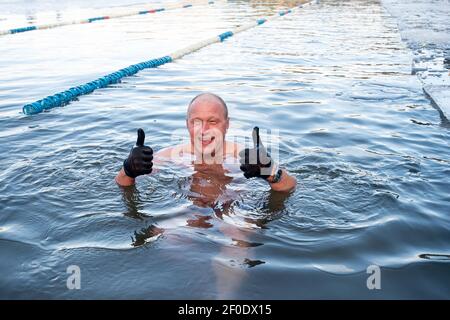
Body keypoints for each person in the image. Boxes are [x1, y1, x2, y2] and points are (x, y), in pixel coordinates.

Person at [115, 92, 297, 192]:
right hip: (187, 208)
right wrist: (128, 170)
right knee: (167, 239)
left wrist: (270, 171)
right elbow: (121, 184)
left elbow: (291, 187)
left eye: (213, 121)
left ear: (227, 125)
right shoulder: (170, 156)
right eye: (196, 122)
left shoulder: (246, 158)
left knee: (236, 246)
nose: (203, 130)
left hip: (234, 209)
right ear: (187, 125)